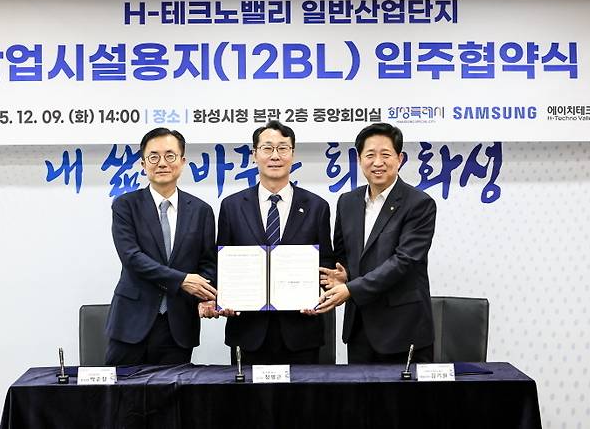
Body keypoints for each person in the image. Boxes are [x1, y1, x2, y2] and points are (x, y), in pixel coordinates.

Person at [216, 120, 335, 365]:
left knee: (302, 392)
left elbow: (325, 262)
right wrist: (224, 298)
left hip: (301, 331)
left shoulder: (317, 206)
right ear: (254, 154)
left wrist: (318, 295)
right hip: (248, 331)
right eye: (267, 148)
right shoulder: (232, 206)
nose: (275, 156)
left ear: (293, 154)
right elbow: (222, 262)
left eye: (283, 148)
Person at [317, 122, 436, 364]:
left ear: (400, 159)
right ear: (359, 159)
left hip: (403, 329)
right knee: (360, 390)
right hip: (359, 327)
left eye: (386, 154)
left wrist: (351, 289)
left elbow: (404, 261)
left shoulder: (419, 204)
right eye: (370, 155)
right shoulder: (347, 202)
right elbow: (343, 254)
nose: (377, 162)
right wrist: (343, 275)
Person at [104, 127, 217, 365]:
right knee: (121, 388)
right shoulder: (125, 205)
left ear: (182, 162)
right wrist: (182, 280)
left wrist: (206, 296)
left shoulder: (201, 211)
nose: (162, 163)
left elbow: (208, 263)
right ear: (143, 164)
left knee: (172, 389)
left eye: (170, 155)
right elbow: (132, 258)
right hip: (131, 322)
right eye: (153, 157)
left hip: (178, 324)